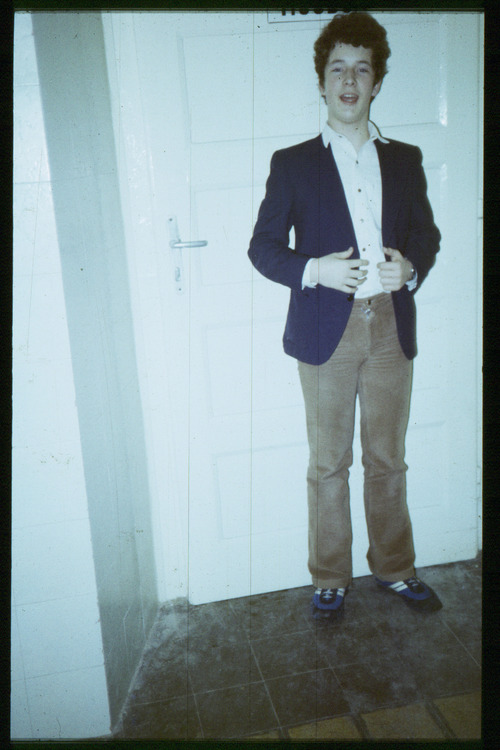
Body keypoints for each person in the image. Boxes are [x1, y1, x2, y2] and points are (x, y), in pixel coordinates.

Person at [248, 11, 442, 619]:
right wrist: (315, 269)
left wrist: (410, 268)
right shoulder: (293, 162)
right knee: (328, 463)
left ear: (377, 82)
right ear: (322, 82)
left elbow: (426, 235)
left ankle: (395, 568)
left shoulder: (405, 159)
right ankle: (330, 576)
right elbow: (263, 248)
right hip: (323, 330)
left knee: (387, 458)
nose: (350, 81)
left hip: (390, 326)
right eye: (338, 69)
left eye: (362, 69)